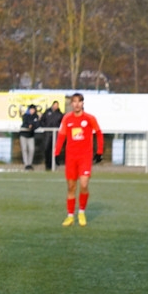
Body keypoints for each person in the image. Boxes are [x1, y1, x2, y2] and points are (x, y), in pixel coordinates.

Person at [54, 93, 103, 227]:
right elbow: (61, 136)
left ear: (83, 103)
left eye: (79, 101)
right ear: (71, 104)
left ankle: (81, 211)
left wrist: (99, 152)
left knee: (84, 184)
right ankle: (70, 216)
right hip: (71, 157)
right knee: (71, 187)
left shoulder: (89, 118)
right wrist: (57, 153)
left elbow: (99, 133)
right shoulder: (67, 118)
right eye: (74, 102)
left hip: (85, 157)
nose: (77, 104)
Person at [40, 100, 64, 171]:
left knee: (55, 149)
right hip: (47, 133)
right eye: (55, 105)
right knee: (47, 149)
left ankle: (55, 163)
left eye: (57, 105)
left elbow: (62, 123)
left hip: (56, 133)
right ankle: (48, 165)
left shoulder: (60, 114)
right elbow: (42, 120)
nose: (55, 106)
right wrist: (45, 127)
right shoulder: (47, 112)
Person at [20, 104, 39, 170]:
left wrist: (32, 125)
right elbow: (26, 123)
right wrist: (29, 125)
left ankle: (30, 163)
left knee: (31, 149)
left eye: (33, 109)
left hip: (31, 135)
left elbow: (36, 124)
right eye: (31, 109)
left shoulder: (36, 116)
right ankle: (26, 164)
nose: (32, 111)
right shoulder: (25, 116)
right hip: (23, 135)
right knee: (24, 149)